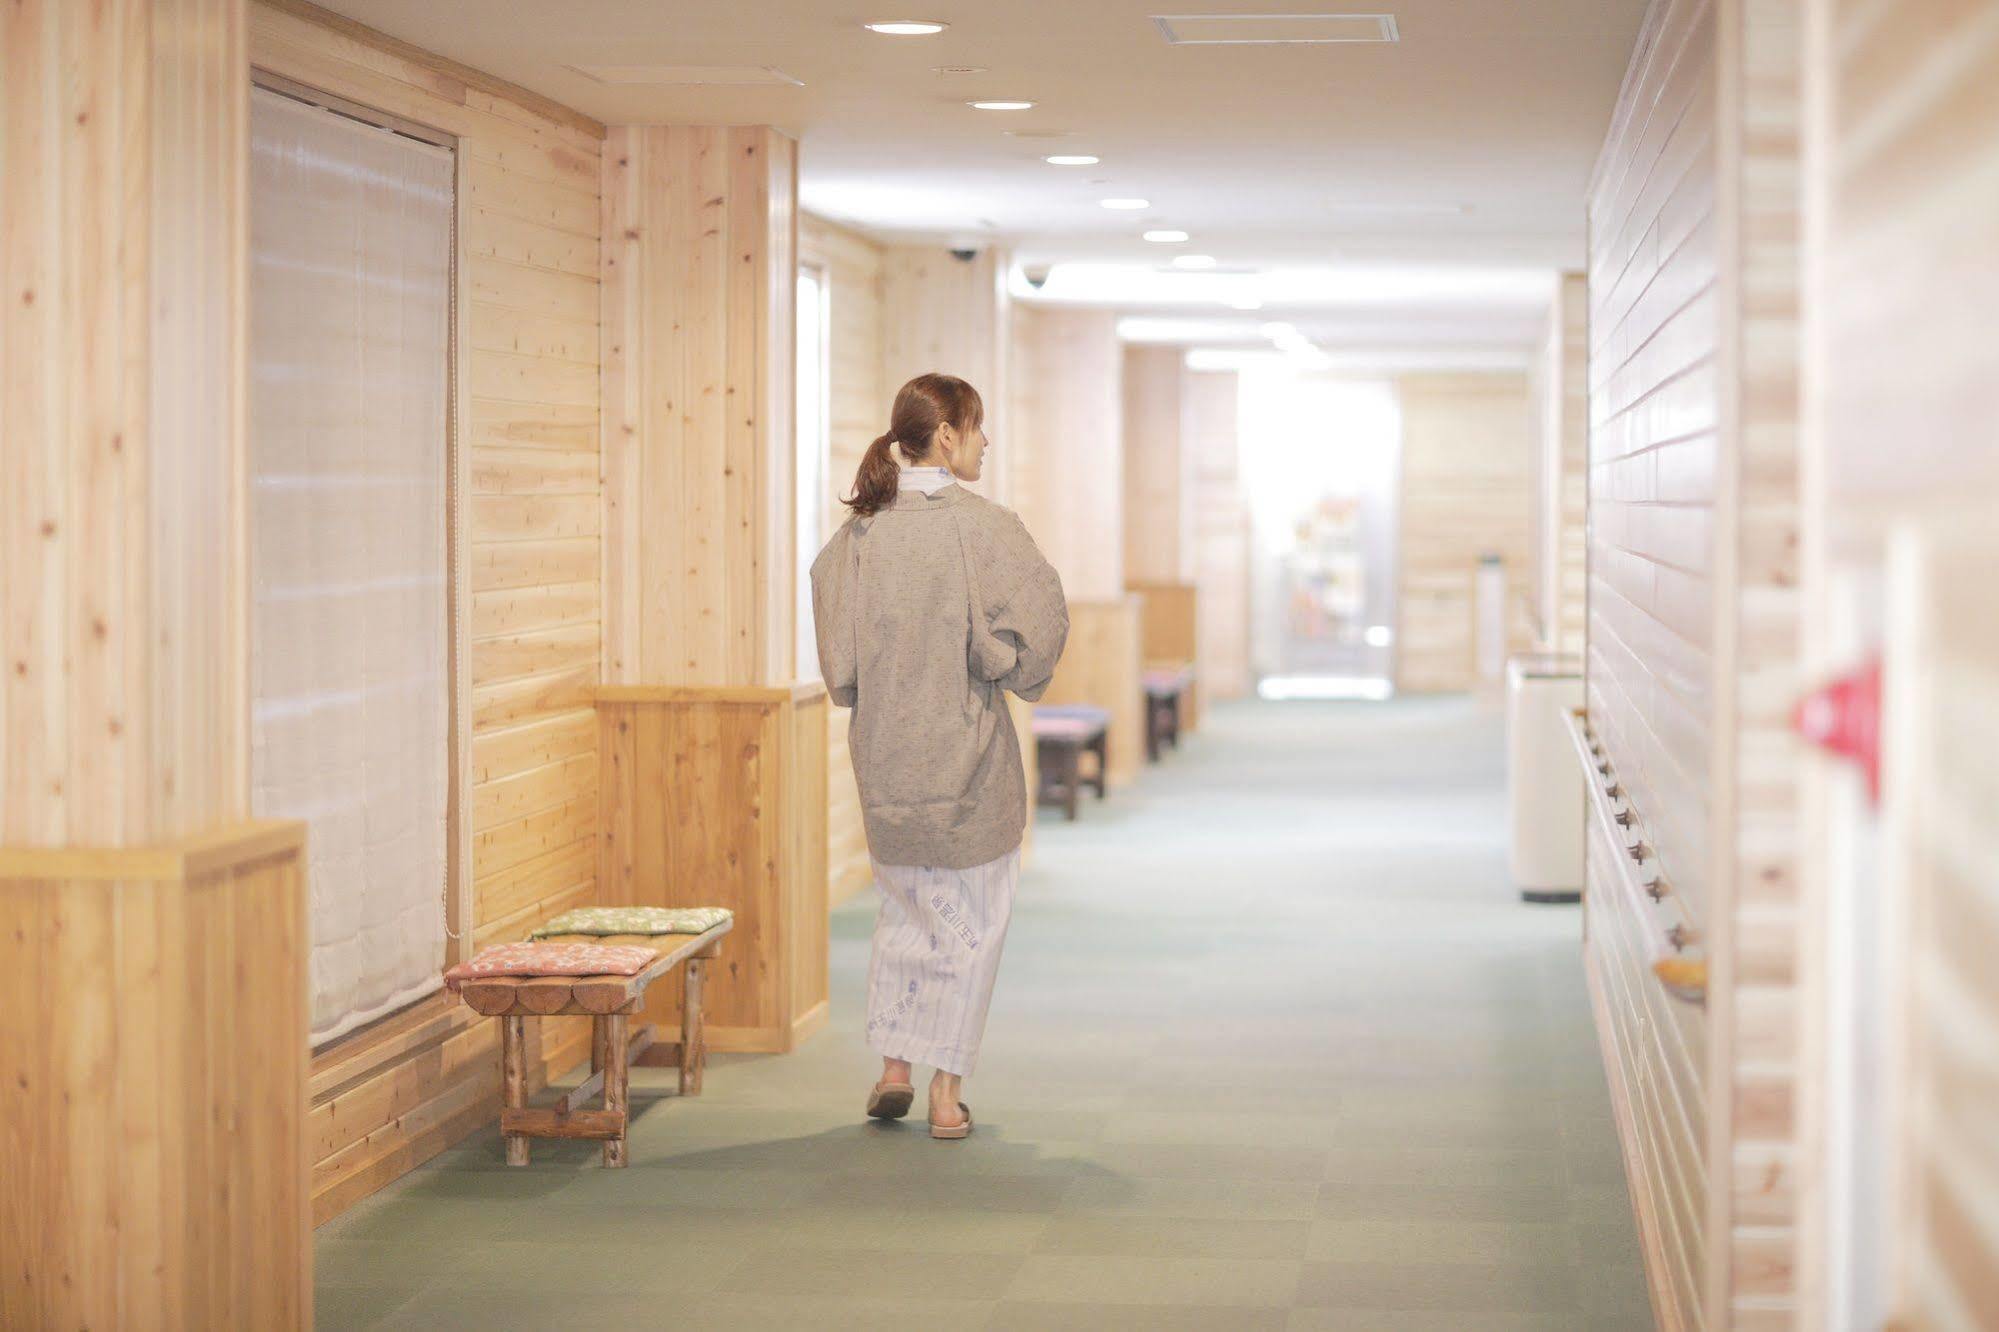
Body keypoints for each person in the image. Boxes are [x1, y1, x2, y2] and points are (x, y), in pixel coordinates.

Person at [809, 372, 1069, 1140]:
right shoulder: (985, 528)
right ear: (948, 436)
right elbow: (1040, 622)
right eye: (979, 428)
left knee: (905, 910)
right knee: (972, 925)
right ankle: (944, 1094)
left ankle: (893, 1065)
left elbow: (840, 660)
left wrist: (869, 684)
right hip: (968, 761)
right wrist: (998, 658)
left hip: (886, 758)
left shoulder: (856, 536)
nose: (986, 443)